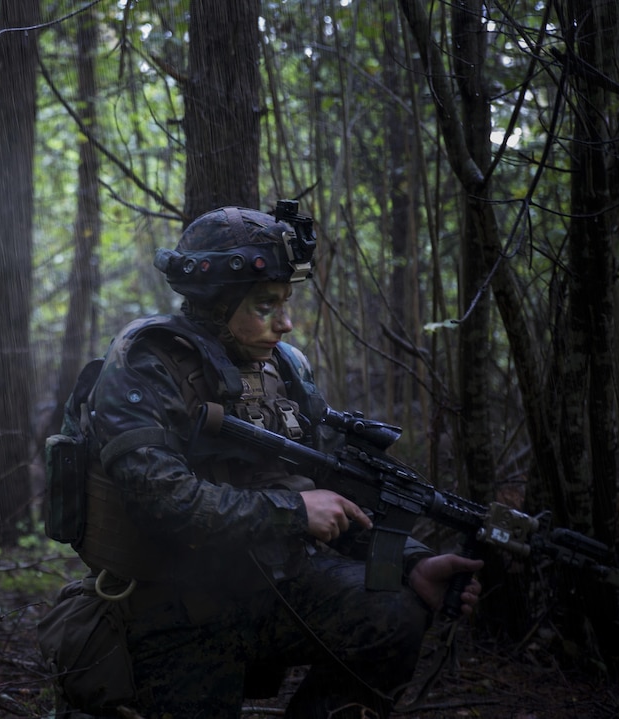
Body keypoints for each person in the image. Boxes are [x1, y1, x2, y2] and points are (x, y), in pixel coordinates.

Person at [41, 204, 483, 719]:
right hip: (170, 609)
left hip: (264, 588)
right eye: (265, 304)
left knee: (393, 612)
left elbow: (333, 491)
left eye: (285, 302)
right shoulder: (144, 364)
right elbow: (162, 501)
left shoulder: (285, 369)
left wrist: (412, 561)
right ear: (214, 302)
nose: (286, 322)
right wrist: (295, 511)